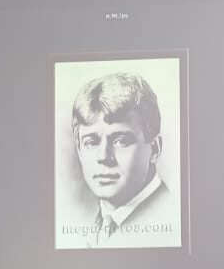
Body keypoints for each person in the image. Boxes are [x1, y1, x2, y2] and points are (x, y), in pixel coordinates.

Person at [68, 71, 179, 248]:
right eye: (91, 142)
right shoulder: (94, 226)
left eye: (121, 141)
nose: (104, 157)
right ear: (79, 148)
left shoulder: (173, 220)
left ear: (155, 149)